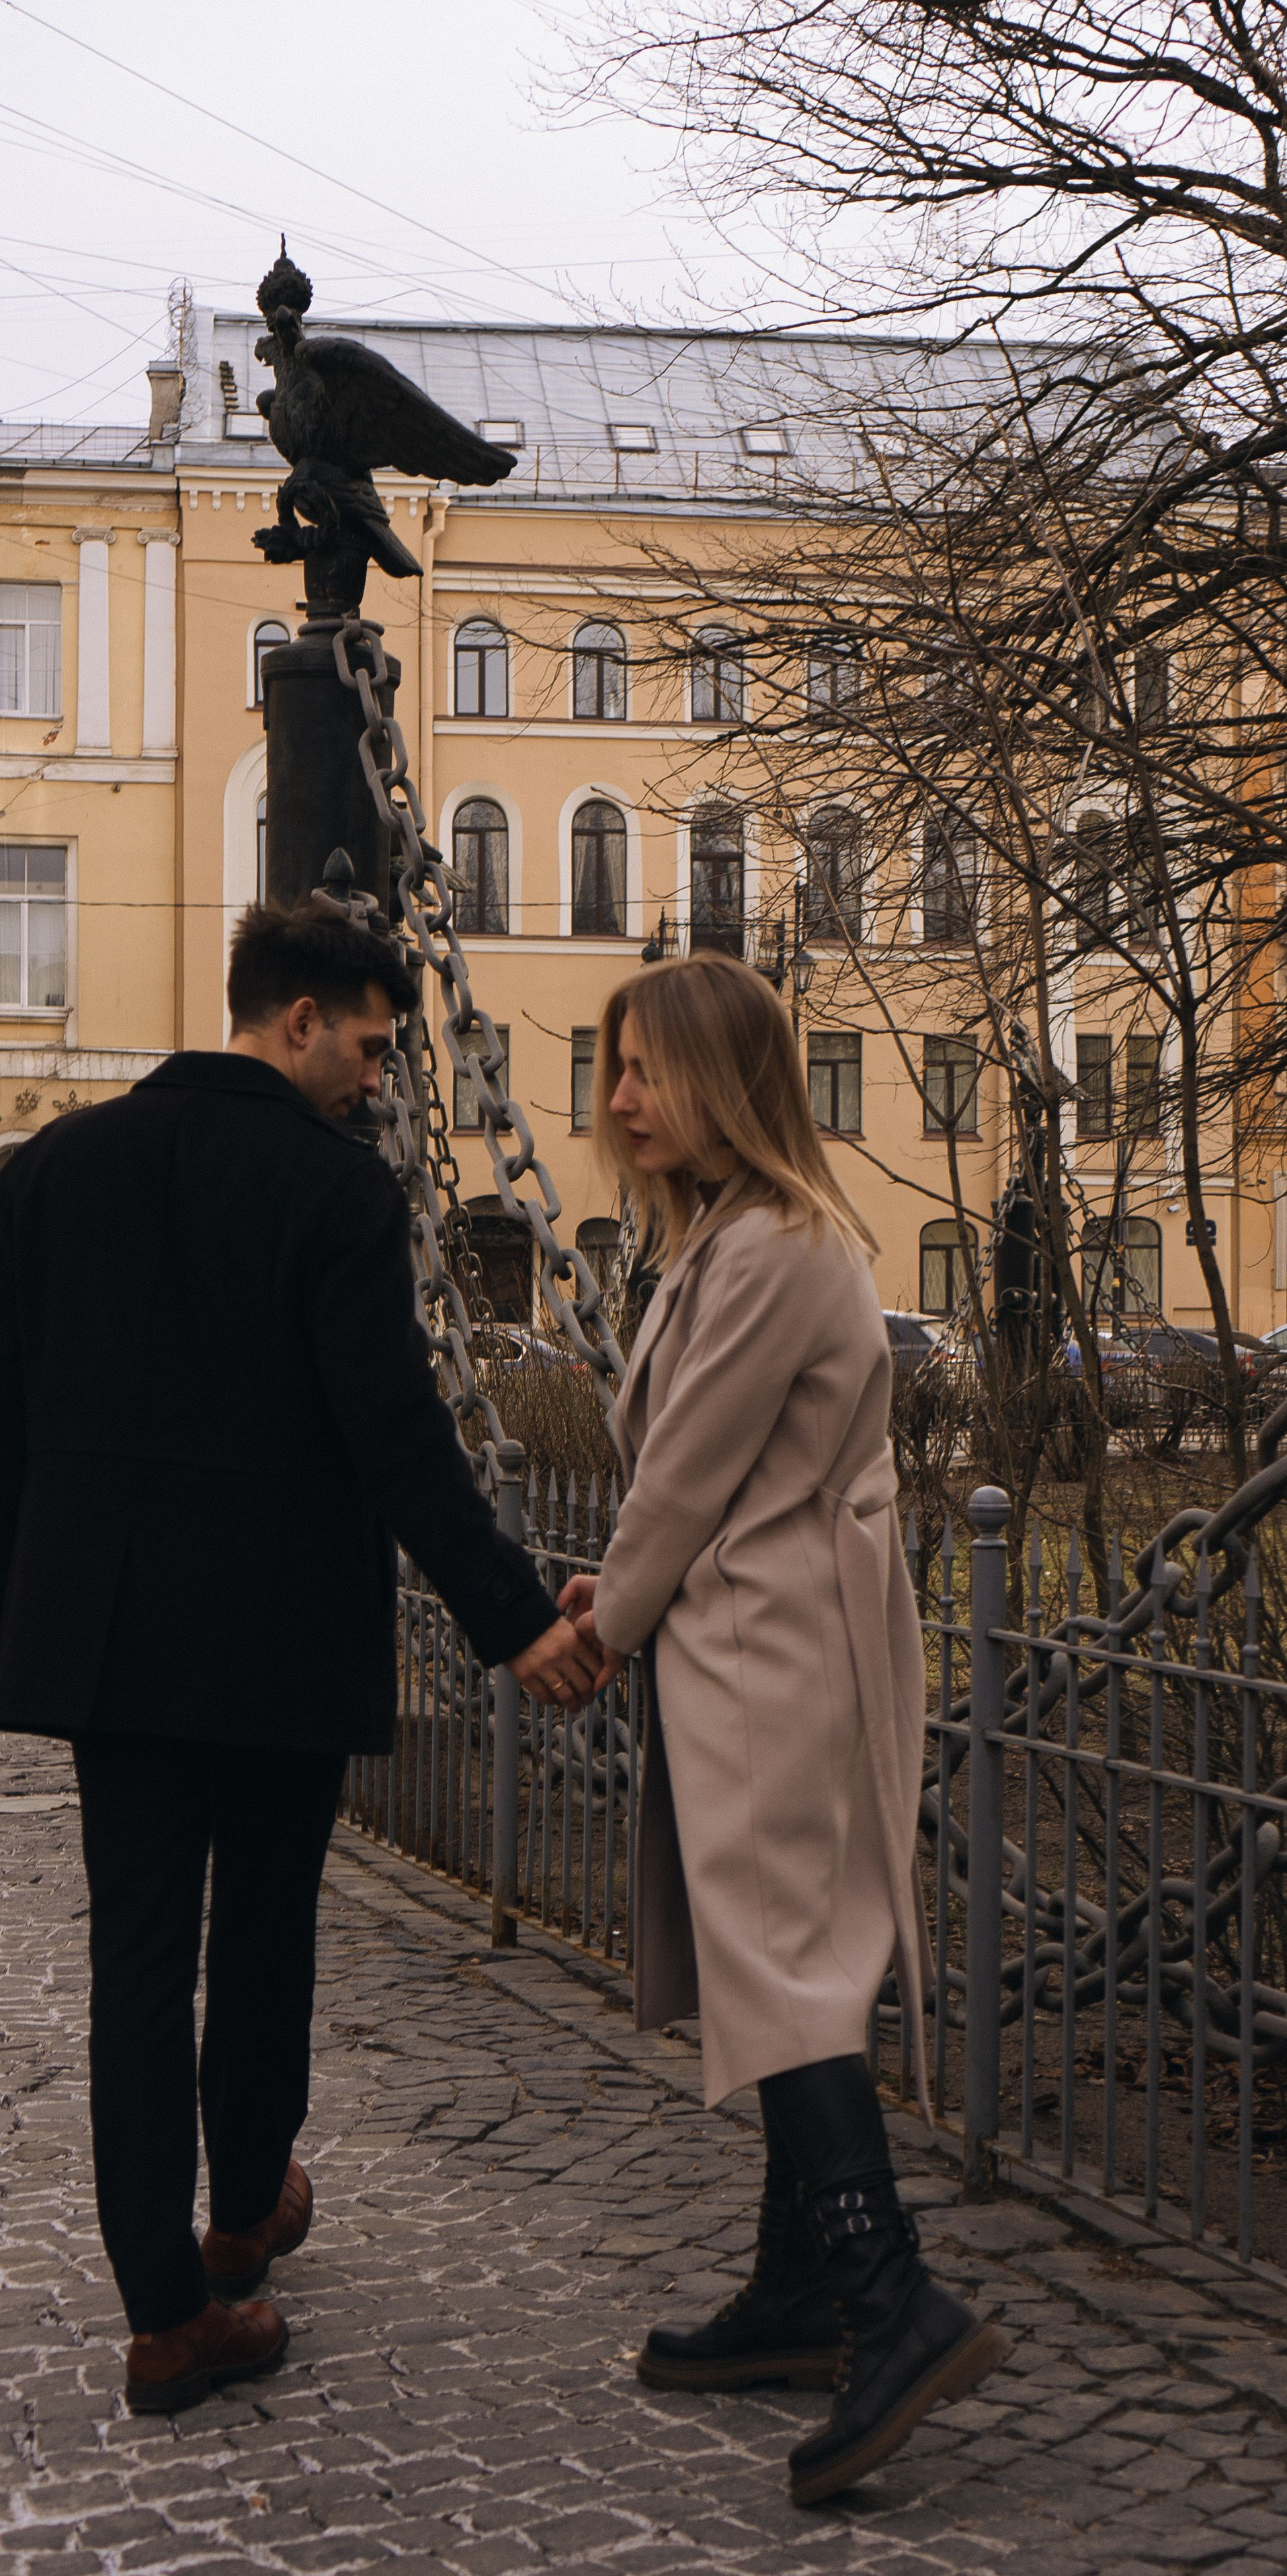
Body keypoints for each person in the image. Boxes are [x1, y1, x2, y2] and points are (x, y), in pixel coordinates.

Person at [0, 903, 593, 2415]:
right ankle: (239, 2222)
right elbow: (395, 1439)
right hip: (272, 1642)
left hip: (115, 1636)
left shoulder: (55, 1169)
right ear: (301, 1023)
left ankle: (161, 2315)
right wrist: (514, 1618)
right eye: (374, 1049)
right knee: (262, 1939)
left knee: (134, 1960)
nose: (380, 1081)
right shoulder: (331, 1196)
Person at [561, 952, 1009, 2507]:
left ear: (722, 1079)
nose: (618, 1099)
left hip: (770, 1647)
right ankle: (798, 2292)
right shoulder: (729, 1241)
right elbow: (699, 1473)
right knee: (778, 1957)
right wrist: (618, 1589)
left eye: (644, 1070)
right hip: (751, 1627)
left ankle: (891, 2302)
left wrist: (597, 1630)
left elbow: (684, 1477)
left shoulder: (766, 1251)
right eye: (612, 1069)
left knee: (787, 1965)